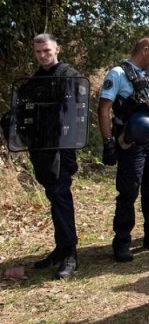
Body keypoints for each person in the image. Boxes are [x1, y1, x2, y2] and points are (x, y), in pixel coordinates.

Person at [8, 34, 84, 279]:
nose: (43, 55)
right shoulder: (33, 81)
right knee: (54, 195)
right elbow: (24, 112)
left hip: (62, 148)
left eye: (47, 50)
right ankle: (61, 249)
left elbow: (75, 114)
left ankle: (70, 253)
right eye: (38, 51)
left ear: (57, 49)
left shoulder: (69, 76)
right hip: (41, 149)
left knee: (61, 195)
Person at [98, 37, 149, 262]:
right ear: (145, 50)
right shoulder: (118, 74)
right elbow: (104, 110)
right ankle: (122, 241)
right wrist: (108, 141)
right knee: (129, 191)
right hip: (129, 143)